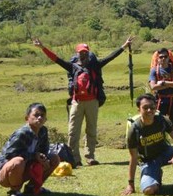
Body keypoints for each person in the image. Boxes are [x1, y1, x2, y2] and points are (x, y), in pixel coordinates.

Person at [33, 36, 133, 166]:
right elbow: (56, 59)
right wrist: (42, 48)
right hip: (77, 102)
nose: (84, 54)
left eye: (85, 51)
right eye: (81, 52)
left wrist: (124, 46)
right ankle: (74, 158)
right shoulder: (72, 67)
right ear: (77, 53)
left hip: (92, 102)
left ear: (88, 52)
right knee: (73, 131)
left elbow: (111, 57)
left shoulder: (95, 66)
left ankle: (90, 157)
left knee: (91, 130)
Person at [123, 94, 173, 196]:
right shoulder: (134, 129)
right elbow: (133, 157)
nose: (149, 110)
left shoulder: (162, 120)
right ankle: (156, 178)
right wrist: (130, 184)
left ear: (156, 108)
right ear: (139, 109)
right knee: (148, 191)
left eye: (152, 107)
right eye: (145, 108)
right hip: (148, 161)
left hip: (165, 153)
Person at [0, 103, 60, 196]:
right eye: (36, 115)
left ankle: (32, 187)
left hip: (26, 167)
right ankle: (15, 191)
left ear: (45, 120)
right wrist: (34, 156)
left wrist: (43, 158)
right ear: (27, 118)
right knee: (18, 161)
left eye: (42, 115)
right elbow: (10, 155)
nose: (39, 118)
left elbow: (44, 150)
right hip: (6, 173)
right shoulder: (22, 133)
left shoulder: (43, 131)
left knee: (54, 158)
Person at [149, 48, 173, 141]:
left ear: (169, 57)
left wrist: (163, 83)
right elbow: (153, 87)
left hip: (172, 100)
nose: (163, 58)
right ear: (157, 58)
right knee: (158, 124)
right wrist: (169, 84)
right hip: (159, 101)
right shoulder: (154, 70)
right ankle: (160, 146)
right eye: (161, 57)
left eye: (165, 56)